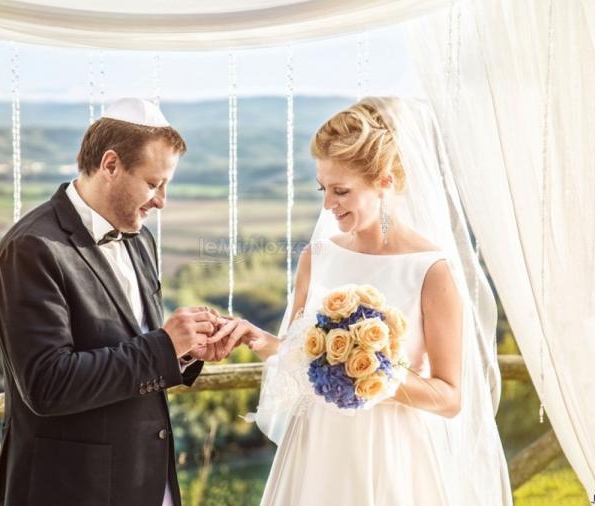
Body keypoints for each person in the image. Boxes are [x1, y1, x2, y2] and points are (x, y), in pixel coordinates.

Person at [211, 97, 513, 505]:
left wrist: (378, 376)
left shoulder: (431, 271)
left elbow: (450, 397)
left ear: (385, 182)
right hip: (315, 448)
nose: (327, 205)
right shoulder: (316, 258)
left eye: (341, 191)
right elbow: (301, 356)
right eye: (323, 189)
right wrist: (260, 339)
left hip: (390, 455)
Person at [0, 98, 235, 506]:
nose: (162, 200)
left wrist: (186, 351)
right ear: (110, 165)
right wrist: (164, 345)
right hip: (70, 488)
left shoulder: (140, 239)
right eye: (154, 183)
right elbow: (47, 384)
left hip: (148, 481)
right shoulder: (31, 249)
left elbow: (137, 348)